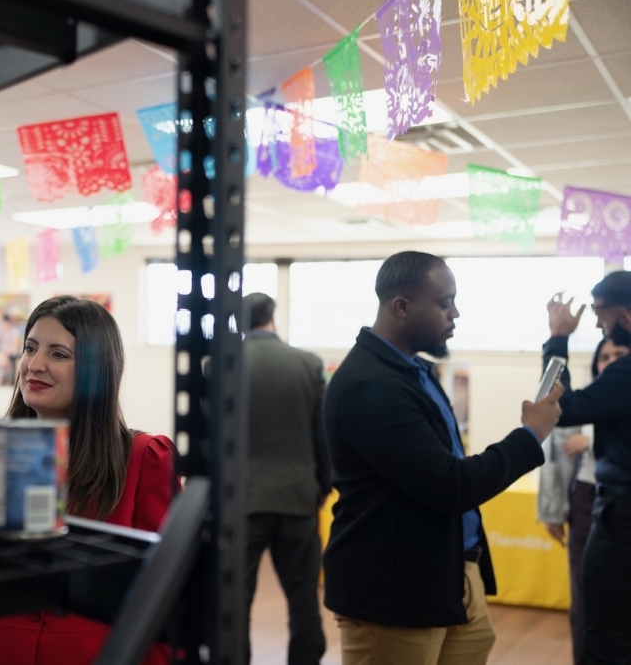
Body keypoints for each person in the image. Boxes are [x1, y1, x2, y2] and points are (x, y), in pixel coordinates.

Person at [0, 296, 178, 665]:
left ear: (95, 369)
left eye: (58, 354)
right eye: (30, 348)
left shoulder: (145, 458)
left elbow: (165, 596)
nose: (34, 365)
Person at [323, 251, 562, 665]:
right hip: (395, 593)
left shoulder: (414, 372)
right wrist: (530, 436)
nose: (456, 313)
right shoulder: (370, 386)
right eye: (444, 302)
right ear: (401, 306)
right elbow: (451, 485)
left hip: (448, 573)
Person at [543, 271, 631, 664]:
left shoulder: (627, 374)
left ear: (625, 316)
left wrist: (558, 339)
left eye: (600, 315)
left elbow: (557, 407)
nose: (597, 325)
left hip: (622, 516)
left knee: (604, 630)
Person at [241, 292, 330, 665]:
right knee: (304, 602)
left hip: (239, 503)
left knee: (232, 605)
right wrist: (321, 488)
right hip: (297, 498)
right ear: (272, 318)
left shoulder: (219, 365)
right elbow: (322, 436)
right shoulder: (308, 364)